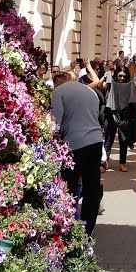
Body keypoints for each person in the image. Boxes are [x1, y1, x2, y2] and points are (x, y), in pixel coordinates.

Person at [51, 68, 105, 234]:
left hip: (74, 144)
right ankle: (88, 228)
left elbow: (55, 123)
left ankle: (67, 226)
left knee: (69, 186)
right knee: (92, 186)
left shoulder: (58, 92)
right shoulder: (89, 91)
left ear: (57, 82)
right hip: (95, 141)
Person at [103, 60, 136, 172]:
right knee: (109, 139)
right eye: (120, 75)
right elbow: (101, 86)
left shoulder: (130, 85)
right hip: (111, 114)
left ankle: (122, 163)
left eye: (124, 76)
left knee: (123, 140)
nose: (122, 78)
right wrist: (104, 78)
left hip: (124, 115)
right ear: (116, 74)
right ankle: (104, 162)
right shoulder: (111, 83)